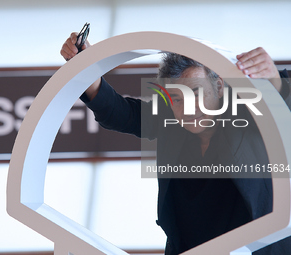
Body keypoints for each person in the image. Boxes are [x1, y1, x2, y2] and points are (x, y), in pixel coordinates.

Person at [61, 32, 291, 254]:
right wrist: (86, 70)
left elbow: (283, 108)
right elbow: (121, 112)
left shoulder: (248, 111)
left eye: (196, 93)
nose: (188, 109)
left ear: (219, 87)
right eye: (177, 99)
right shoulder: (170, 120)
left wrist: (274, 82)